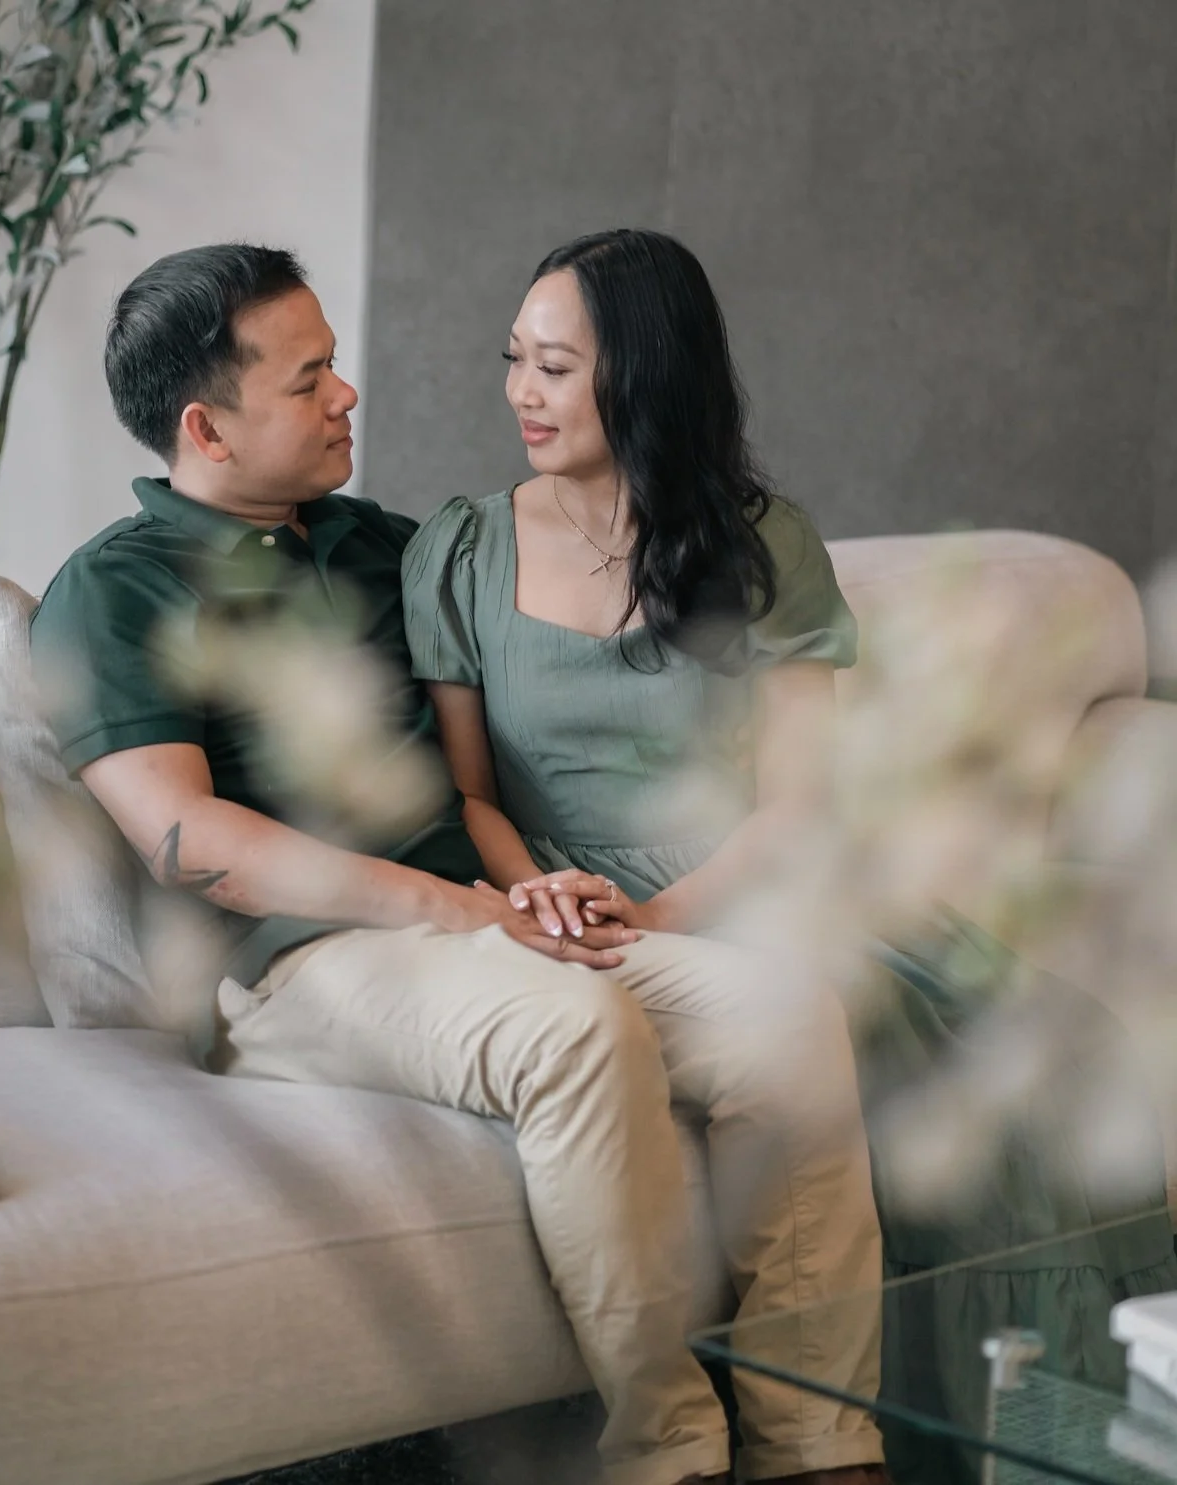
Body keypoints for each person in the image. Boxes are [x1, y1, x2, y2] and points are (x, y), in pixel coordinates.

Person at [29, 243, 888, 1485]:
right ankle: (672, 1453)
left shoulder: (392, 549)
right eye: (310, 376)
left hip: (491, 924)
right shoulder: (112, 591)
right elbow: (190, 841)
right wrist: (452, 907)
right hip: (301, 967)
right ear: (206, 428)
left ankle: (819, 1450)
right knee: (576, 1028)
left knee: (784, 1015)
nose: (348, 394)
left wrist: (529, 894)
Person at [401, 228, 1177, 1481]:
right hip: (552, 904)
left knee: (991, 1055)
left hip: (748, 890)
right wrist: (538, 898)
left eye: (552, 366)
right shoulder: (459, 548)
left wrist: (659, 917)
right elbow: (472, 795)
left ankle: (959, 1438)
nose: (517, 393)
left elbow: (791, 808)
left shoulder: (764, 549)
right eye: (513, 361)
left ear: (644, 378)